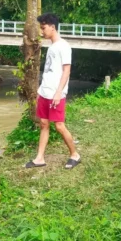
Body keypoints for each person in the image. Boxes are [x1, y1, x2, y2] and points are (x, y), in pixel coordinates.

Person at [25, 13, 81, 170]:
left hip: (56, 94)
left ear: (52, 27)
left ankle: (75, 155)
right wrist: (40, 91)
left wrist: (58, 92)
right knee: (43, 124)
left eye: (43, 28)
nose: (42, 32)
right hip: (45, 92)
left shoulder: (64, 46)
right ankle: (39, 158)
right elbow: (49, 71)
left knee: (59, 126)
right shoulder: (52, 47)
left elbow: (66, 71)